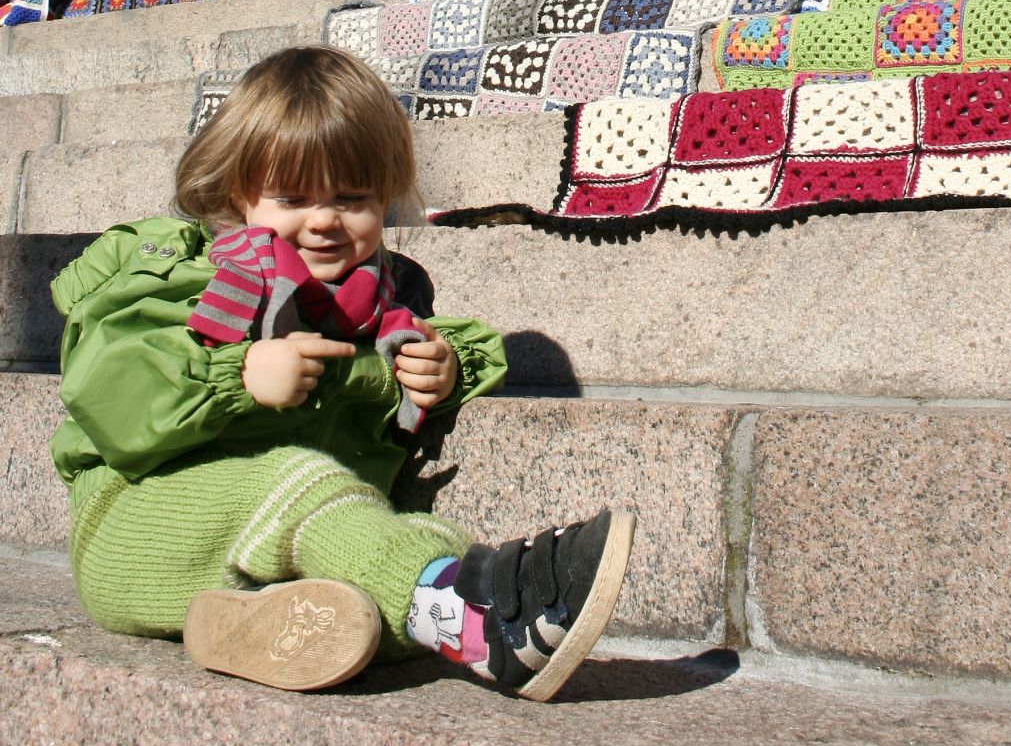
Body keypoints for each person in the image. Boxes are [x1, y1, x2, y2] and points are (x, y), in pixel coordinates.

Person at [49, 46, 635, 700]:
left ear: (384, 199)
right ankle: (484, 620)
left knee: (376, 564)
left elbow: (430, 359)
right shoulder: (191, 280)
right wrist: (232, 375)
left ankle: (258, 630)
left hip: (271, 556)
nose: (325, 220)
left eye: (352, 199)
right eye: (293, 197)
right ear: (241, 195)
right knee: (302, 480)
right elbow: (107, 383)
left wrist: (442, 366)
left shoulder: (384, 307)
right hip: (137, 532)